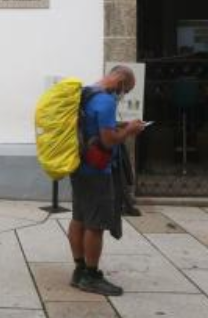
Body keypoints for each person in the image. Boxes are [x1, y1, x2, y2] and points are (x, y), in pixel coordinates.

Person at [67, 66, 146, 296]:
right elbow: (109, 140)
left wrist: (120, 126)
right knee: (96, 225)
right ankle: (91, 277)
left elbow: (92, 127)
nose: (124, 95)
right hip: (97, 171)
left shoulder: (86, 93)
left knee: (79, 218)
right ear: (120, 81)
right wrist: (130, 130)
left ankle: (79, 270)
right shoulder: (106, 101)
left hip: (79, 166)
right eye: (126, 90)